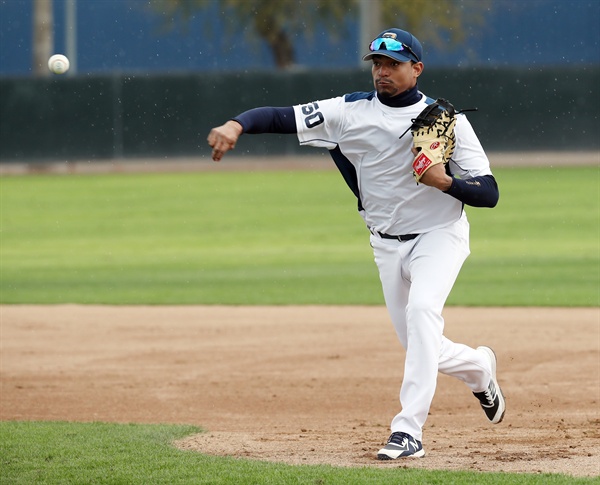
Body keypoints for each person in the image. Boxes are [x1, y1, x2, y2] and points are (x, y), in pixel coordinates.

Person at [207, 27, 505, 460]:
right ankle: (479, 369)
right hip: (385, 243)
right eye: (377, 64)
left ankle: (408, 432)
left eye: (394, 64)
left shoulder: (450, 120)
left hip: (439, 236)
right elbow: (279, 116)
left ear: (416, 69)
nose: (382, 71)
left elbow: (490, 192)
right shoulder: (347, 111)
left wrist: (447, 181)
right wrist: (236, 125)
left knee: (423, 313)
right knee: (421, 344)